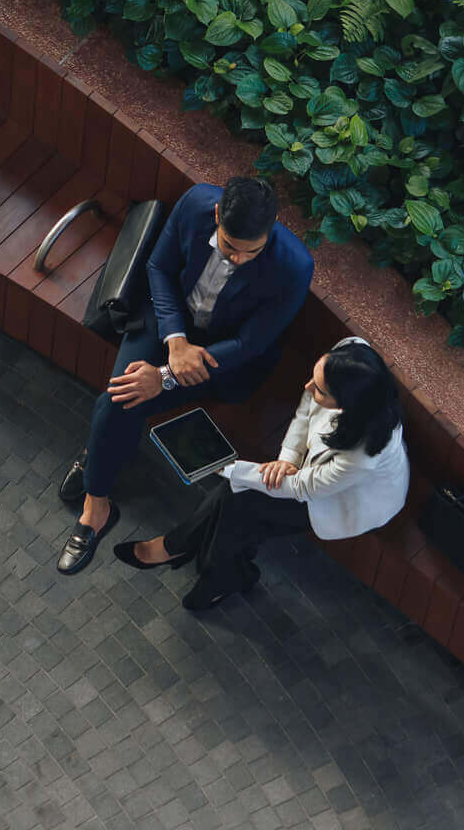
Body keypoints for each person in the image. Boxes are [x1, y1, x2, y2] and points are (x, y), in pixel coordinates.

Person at [54, 176, 313, 575]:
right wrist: (174, 341)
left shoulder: (294, 266)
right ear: (216, 215)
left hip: (223, 357)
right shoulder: (196, 203)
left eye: (251, 252)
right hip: (165, 321)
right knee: (119, 399)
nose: (238, 259)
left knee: (123, 401)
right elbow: (159, 267)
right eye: (229, 246)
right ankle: (97, 504)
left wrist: (166, 376)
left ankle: (97, 463)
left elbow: (250, 344)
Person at [115, 337, 408, 611]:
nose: (307, 387)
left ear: (348, 403)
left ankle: (181, 548)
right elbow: (305, 413)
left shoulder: (363, 455)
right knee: (237, 503)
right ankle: (210, 569)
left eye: (319, 390)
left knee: (238, 501)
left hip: (341, 501)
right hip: (309, 475)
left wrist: (225, 467)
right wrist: (288, 459)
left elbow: (303, 489)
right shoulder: (350, 352)